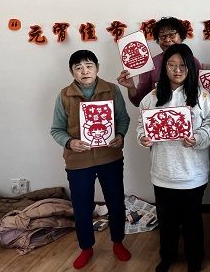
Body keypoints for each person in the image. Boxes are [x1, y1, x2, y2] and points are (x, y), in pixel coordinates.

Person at [136, 43, 210, 272]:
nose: (177, 70)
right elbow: (141, 125)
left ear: (191, 68)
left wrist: (198, 137)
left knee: (192, 220)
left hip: (192, 173)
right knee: (167, 220)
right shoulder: (152, 98)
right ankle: (168, 256)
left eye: (182, 65)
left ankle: (195, 258)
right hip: (163, 171)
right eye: (171, 65)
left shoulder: (202, 96)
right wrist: (143, 137)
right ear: (164, 68)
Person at [50, 50, 131, 269]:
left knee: (116, 202)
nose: (84, 71)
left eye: (89, 66)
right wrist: (69, 142)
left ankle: (118, 242)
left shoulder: (112, 90)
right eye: (78, 68)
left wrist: (120, 135)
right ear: (72, 72)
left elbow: (123, 119)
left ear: (97, 68)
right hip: (78, 161)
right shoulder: (64, 95)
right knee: (82, 207)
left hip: (110, 157)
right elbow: (56, 129)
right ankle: (86, 247)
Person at [117, 17, 201, 107]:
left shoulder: (194, 62)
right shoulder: (150, 65)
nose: (167, 40)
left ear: (181, 36)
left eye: (172, 35)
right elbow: (139, 102)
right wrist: (131, 87)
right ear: (158, 40)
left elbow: (201, 95)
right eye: (163, 36)